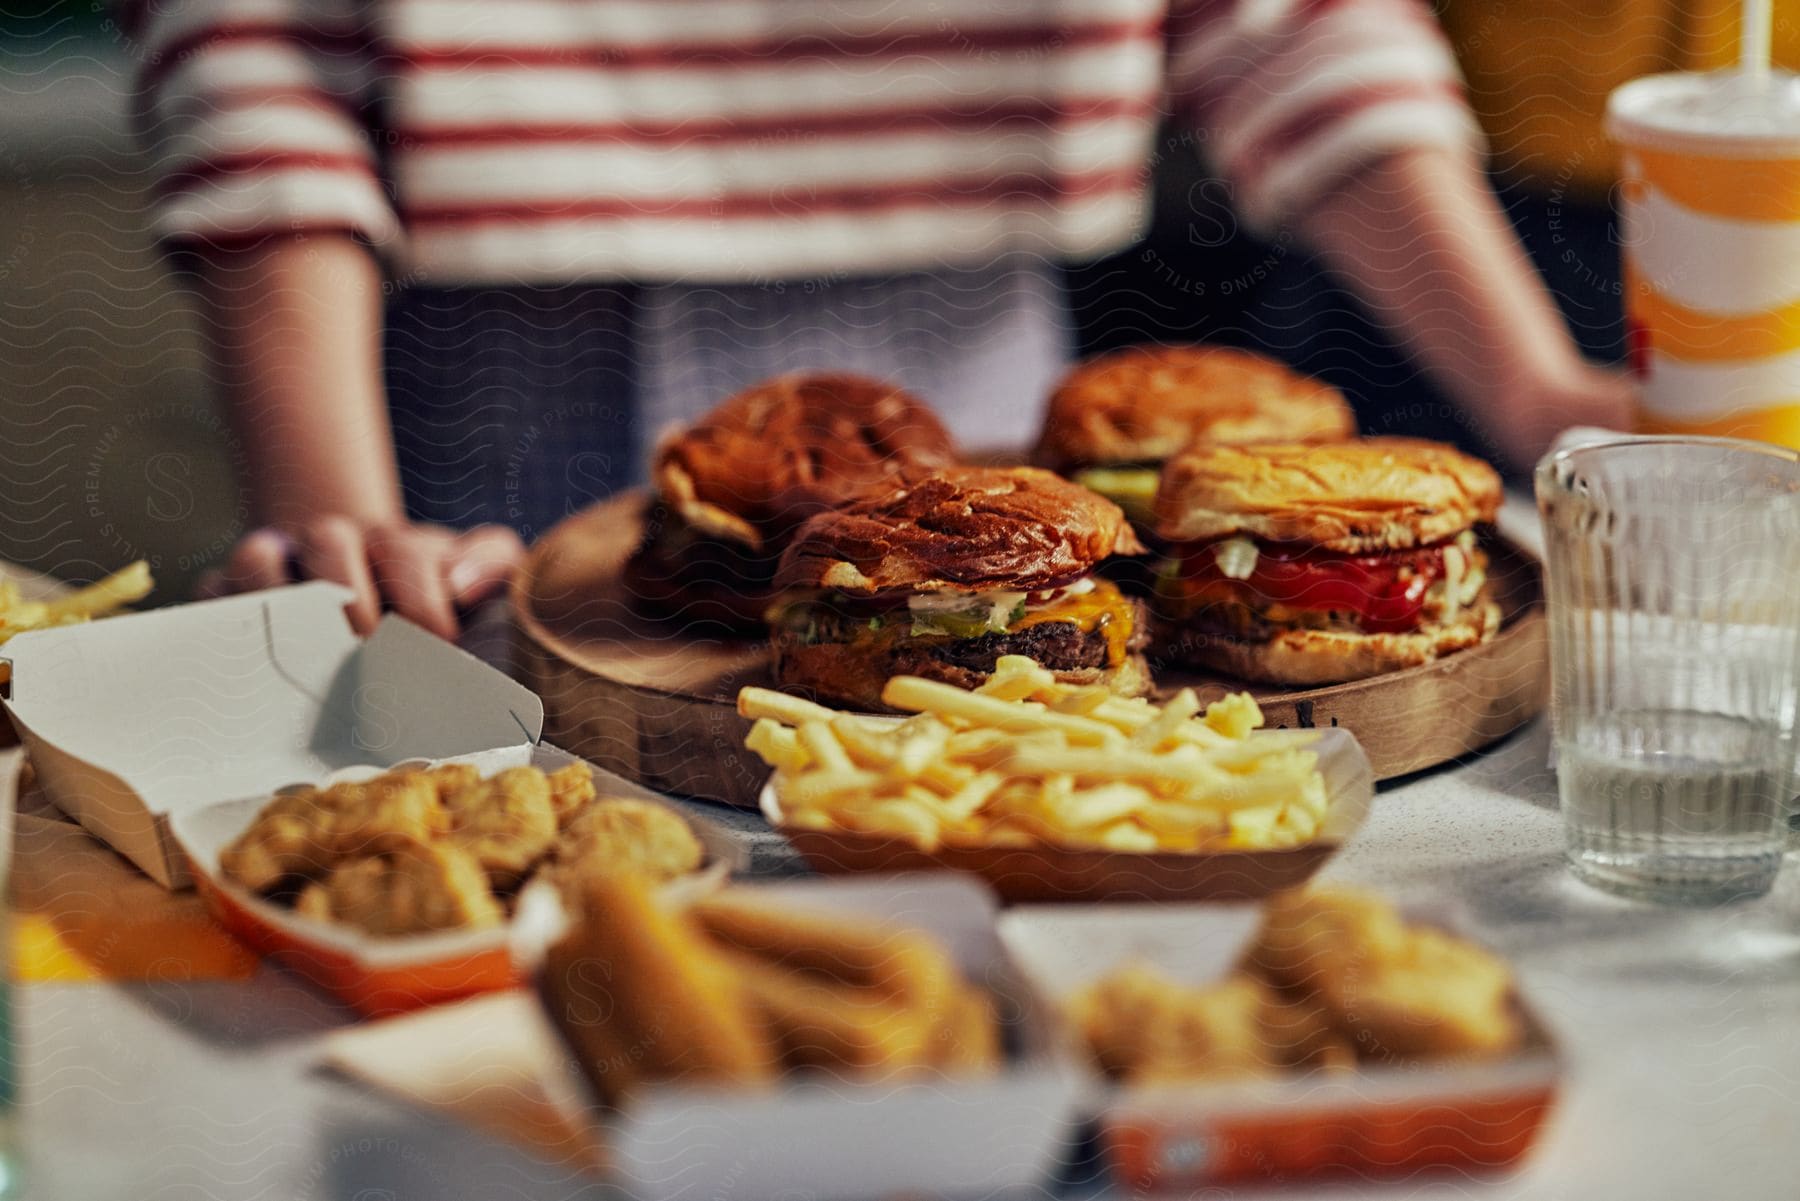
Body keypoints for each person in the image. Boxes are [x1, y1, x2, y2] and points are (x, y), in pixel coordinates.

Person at [130, 0, 1630, 639]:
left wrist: (1530, 385)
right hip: (498, 405)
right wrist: (336, 519)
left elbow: (1292, 18)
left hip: (981, 368)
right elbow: (257, 50)